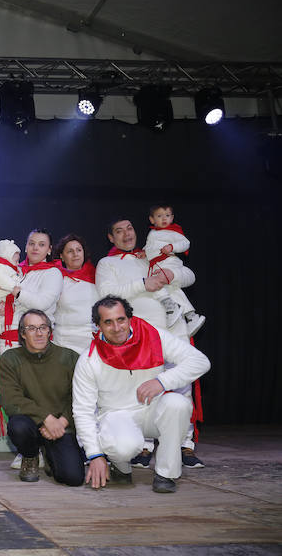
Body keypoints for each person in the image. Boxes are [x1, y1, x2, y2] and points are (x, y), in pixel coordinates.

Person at [73, 296, 210, 493]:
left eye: (121, 319)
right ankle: (121, 467)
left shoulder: (154, 336)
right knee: (122, 446)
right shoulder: (88, 359)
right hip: (117, 415)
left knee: (177, 404)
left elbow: (200, 361)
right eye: (108, 322)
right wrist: (95, 455)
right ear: (98, 326)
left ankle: (166, 474)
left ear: (130, 318)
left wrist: (162, 382)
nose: (117, 327)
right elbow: (82, 411)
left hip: (153, 410)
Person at [96, 217, 203, 468]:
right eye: (119, 231)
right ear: (111, 238)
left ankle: (184, 445)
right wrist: (144, 284)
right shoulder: (107, 263)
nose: (126, 234)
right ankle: (145, 446)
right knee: (145, 386)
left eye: (130, 228)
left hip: (173, 328)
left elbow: (189, 275)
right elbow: (106, 294)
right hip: (142, 334)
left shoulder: (151, 254)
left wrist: (170, 273)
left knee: (181, 388)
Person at [0, 309, 84, 486]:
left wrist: (62, 422)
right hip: (30, 424)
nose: (38, 333)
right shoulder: (10, 358)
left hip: (61, 426)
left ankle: (50, 453)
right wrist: (46, 418)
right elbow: (10, 399)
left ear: (49, 331)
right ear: (22, 334)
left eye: (43, 327)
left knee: (73, 478)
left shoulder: (69, 357)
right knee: (18, 427)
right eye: (31, 328)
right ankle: (30, 456)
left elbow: (79, 397)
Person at [0, 229, 63, 355]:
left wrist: (16, 292)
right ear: (25, 247)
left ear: (49, 249)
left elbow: (42, 304)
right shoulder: (14, 271)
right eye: (31, 243)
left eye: (41, 245)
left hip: (36, 341)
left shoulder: (53, 273)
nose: (35, 248)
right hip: (7, 339)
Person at [143, 204, 205, 335]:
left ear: (172, 218)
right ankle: (191, 316)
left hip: (169, 262)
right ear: (152, 220)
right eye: (159, 216)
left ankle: (171, 307)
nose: (164, 219)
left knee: (156, 283)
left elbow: (185, 243)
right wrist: (144, 252)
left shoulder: (174, 231)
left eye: (167, 215)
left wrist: (172, 247)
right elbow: (151, 246)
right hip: (157, 264)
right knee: (172, 289)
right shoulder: (153, 232)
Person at [52, 234, 100, 356]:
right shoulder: (56, 278)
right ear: (62, 256)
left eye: (79, 250)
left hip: (92, 340)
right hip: (64, 342)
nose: (75, 254)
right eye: (70, 251)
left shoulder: (97, 275)